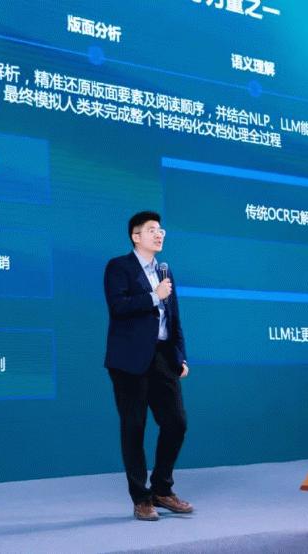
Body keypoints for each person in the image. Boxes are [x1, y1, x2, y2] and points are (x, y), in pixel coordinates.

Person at [103, 210, 193, 521]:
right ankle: (141, 498)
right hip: (129, 361)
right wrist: (154, 296)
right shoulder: (119, 267)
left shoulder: (165, 271)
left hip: (163, 358)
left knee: (176, 422)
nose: (159, 234)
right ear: (135, 236)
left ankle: (162, 489)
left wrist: (180, 356)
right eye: (152, 229)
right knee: (134, 427)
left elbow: (174, 318)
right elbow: (118, 307)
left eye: (161, 230)